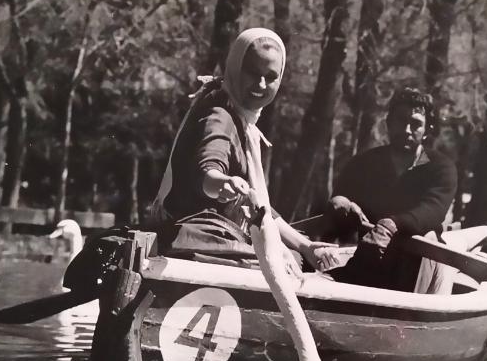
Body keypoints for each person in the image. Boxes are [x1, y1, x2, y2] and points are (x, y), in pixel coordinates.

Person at [149, 27, 333, 272]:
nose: (260, 84)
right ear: (235, 68)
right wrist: (220, 182)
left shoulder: (242, 121)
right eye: (253, 72)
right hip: (197, 241)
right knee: (290, 263)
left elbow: (257, 207)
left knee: (300, 256)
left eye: (271, 76)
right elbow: (209, 165)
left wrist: (306, 245)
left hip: (218, 235)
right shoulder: (219, 115)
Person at [325, 86, 457, 292]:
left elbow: (433, 210)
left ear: (427, 129)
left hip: (421, 264)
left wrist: (390, 225)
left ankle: (411, 314)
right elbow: (341, 196)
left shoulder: (441, 167)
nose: (406, 130)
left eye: (415, 124)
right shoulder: (363, 163)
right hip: (371, 258)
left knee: (428, 237)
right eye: (401, 120)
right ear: (388, 122)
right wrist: (341, 202)